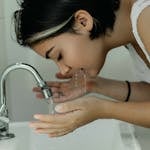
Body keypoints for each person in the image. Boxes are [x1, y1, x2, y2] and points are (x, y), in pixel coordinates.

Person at [13, 0, 150, 137]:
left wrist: (102, 109)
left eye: (59, 55)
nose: (63, 70)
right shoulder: (132, 31)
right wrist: (95, 85)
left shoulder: (146, 16)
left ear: (83, 22)